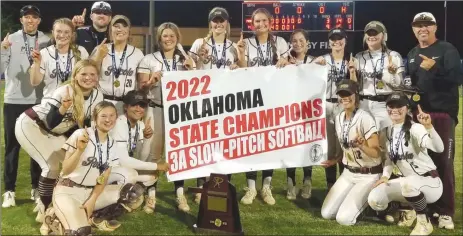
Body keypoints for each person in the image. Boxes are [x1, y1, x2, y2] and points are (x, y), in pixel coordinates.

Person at [15, 59, 103, 231]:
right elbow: (50, 122)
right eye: (84, 73)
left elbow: (85, 124)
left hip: (55, 132)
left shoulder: (97, 95)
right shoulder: (65, 90)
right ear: (75, 75)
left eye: (92, 74)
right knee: (51, 167)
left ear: (97, 77)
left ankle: (56, 202)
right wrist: (63, 108)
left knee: (72, 165)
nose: (88, 77)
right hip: (32, 125)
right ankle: (46, 209)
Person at [49, 101, 144, 236]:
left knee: (133, 193)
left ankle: (94, 216)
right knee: (81, 232)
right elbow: (65, 170)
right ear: (95, 118)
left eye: (112, 116)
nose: (108, 120)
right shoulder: (81, 134)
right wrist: (79, 151)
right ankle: (56, 218)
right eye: (103, 116)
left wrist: (92, 201)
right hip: (68, 191)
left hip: (90, 192)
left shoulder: (111, 143)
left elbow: (104, 177)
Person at [406, 12, 462, 229]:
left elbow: (458, 78)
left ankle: (446, 212)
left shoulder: (447, 49)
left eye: (427, 25)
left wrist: (436, 68)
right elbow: (414, 86)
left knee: (444, 163)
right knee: (421, 164)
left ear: (435, 28)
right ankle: (425, 209)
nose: (423, 29)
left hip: (442, 114)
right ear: (413, 29)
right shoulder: (412, 53)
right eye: (418, 26)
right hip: (419, 115)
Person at [137, 22, 195, 212]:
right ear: (159, 39)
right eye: (165, 36)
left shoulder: (186, 59)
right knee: (154, 154)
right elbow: (140, 88)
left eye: (172, 36)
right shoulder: (149, 59)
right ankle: (151, 195)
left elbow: (197, 85)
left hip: (179, 112)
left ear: (177, 38)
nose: (168, 39)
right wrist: (151, 81)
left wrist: (192, 69)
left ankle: (180, 193)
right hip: (156, 109)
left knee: (178, 153)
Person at [368, 92, 444, 235]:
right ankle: (409, 210)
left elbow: (439, 148)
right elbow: (390, 159)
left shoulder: (415, 128)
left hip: (430, 181)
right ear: (387, 109)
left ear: (407, 108)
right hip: (408, 183)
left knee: (409, 184)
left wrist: (429, 127)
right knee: (375, 199)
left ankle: (424, 222)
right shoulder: (387, 131)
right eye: (391, 106)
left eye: (399, 106)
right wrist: (385, 176)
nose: (395, 109)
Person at [235, 7, 289, 206]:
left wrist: (286, 61)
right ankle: (250, 187)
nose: (261, 24)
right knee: (252, 145)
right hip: (252, 101)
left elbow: (289, 68)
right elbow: (242, 71)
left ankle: (266, 185)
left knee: (270, 145)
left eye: (264, 20)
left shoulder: (280, 42)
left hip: (273, 100)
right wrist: (240, 55)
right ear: (252, 24)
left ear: (270, 22)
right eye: (257, 21)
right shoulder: (246, 43)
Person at [1, 5, 50, 208]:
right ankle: (9, 191)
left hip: (38, 100)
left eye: (34, 17)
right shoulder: (10, 39)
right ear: (21, 20)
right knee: (12, 146)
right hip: (13, 100)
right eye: (27, 17)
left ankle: (36, 189)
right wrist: (2, 50)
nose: (30, 21)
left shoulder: (47, 40)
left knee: (36, 147)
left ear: (39, 20)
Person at [188, 7, 238, 203]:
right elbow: (188, 67)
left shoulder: (234, 46)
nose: (218, 24)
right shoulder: (200, 43)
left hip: (226, 104)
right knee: (203, 146)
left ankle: (222, 185)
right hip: (204, 102)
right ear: (210, 23)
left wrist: (238, 65)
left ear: (227, 23)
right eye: (215, 21)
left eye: (221, 21)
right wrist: (196, 59)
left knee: (225, 146)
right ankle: (201, 186)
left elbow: (243, 71)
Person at [320, 79, 381, 226]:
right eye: (341, 94)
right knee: (327, 214)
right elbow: (346, 148)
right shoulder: (339, 118)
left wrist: (362, 147)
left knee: (344, 219)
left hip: (368, 174)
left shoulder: (365, 118)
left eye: (348, 94)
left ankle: (373, 205)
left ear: (356, 96)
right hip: (348, 173)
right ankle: (357, 200)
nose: (345, 98)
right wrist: (335, 161)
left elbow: (377, 153)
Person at [309, 27, 355, 196]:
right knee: (329, 148)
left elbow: (356, 86)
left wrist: (352, 71)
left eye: (339, 38)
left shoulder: (351, 60)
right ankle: (330, 185)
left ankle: (344, 183)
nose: (336, 42)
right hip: (326, 104)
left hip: (344, 105)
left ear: (345, 40)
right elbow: (304, 76)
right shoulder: (322, 59)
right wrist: (314, 65)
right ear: (329, 42)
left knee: (343, 145)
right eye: (333, 39)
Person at [109, 90, 169, 214]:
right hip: (106, 170)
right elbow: (124, 161)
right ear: (126, 106)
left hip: (120, 168)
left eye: (142, 105)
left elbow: (141, 157)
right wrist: (157, 165)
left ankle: (130, 196)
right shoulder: (119, 124)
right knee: (130, 174)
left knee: (152, 176)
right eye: (134, 104)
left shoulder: (140, 125)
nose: (138, 109)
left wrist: (146, 139)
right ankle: (114, 203)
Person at [354, 21, 404, 130]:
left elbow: (400, 85)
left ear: (384, 36)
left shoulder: (393, 56)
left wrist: (393, 73)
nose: (372, 36)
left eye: (375, 33)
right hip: (363, 104)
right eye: (369, 34)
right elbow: (355, 84)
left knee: (385, 141)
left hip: (385, 104)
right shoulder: (358, 57)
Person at [92, 15, 144, 114]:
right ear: (110, 30)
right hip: (102, 101)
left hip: (126, 104)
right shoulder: (100, 49)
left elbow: (140, 84)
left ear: (129, 31)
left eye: (124, 26)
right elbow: (90, 75)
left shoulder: (138, 53)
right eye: (116, 26)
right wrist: (98, 58)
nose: (120, 29)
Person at [30, 18, 89, 98]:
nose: (62, 35)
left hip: (75, 102)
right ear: (53, 33)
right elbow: (35, 82)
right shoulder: (44, 53)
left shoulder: (81, 51)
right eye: (59, 31)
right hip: (50, 102)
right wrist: (36, 63)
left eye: (66, 32)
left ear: (72, 34)